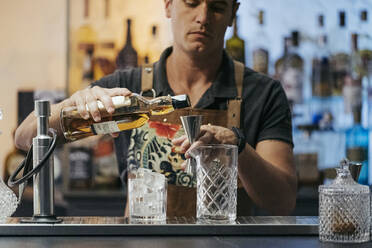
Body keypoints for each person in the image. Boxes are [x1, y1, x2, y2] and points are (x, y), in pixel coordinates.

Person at [15, 0, 297, 216]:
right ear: (168, 5)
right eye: (191, 2)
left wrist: (237, 146)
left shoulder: (263, 93)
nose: (203, 17)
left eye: (218, 7)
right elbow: (25, 137)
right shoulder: (128, 87)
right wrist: (73, 104)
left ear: (233, 14)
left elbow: (283, 202)